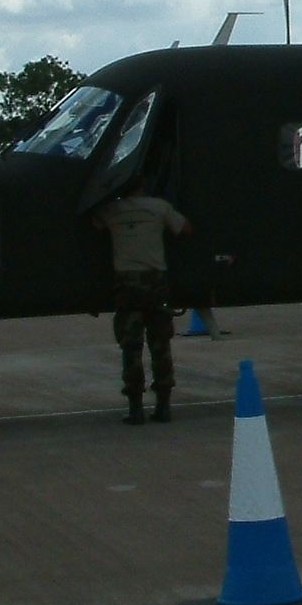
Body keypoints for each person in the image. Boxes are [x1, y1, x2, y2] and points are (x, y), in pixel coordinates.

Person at [92, 176, 192, 424]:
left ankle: (135, 408)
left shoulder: (110, 211)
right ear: (144, 185)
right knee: (160, 345)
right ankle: (164, 406)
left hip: (127, 284)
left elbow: (94, 224)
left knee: (131, 347)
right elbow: (186, 228)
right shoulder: (159, 207)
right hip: (156, 282)